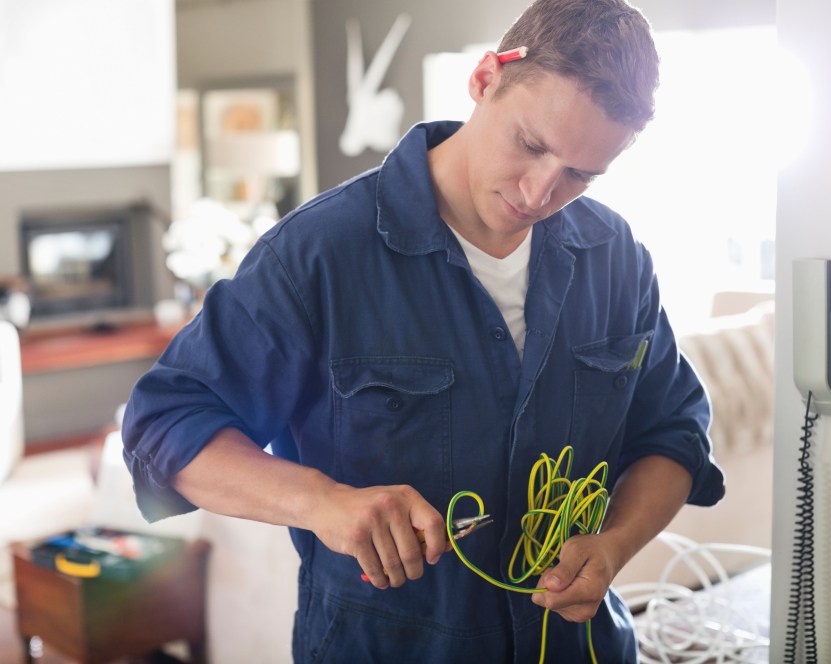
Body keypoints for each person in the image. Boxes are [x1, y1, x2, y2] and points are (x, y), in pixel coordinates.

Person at [122, 0, 725, 661]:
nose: (538, 192)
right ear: (485, 78)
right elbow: (164, 425)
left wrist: (613, 547)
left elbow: (674, 431)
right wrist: (322, 502)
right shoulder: (318, 254)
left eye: (580, 174)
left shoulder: (616, 257)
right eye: (530, 144)